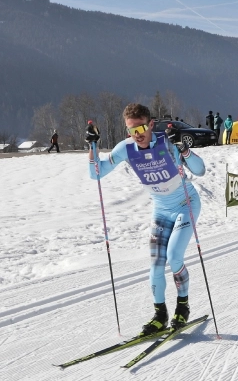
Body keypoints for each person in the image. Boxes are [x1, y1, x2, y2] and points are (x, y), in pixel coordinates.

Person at [85, 103, 206, 335]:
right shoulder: (126, 148)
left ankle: (183, 306)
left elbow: (200, 170)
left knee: (173, 256)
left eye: (141, 129)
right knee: (155, 265)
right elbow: (96, 173)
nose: (137, 135)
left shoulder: (166, 142)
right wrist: (92, 144)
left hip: (185, 204)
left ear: (151, 124)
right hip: (161, 209)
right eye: (132, 131)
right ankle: (160, 315)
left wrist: (183, 148)